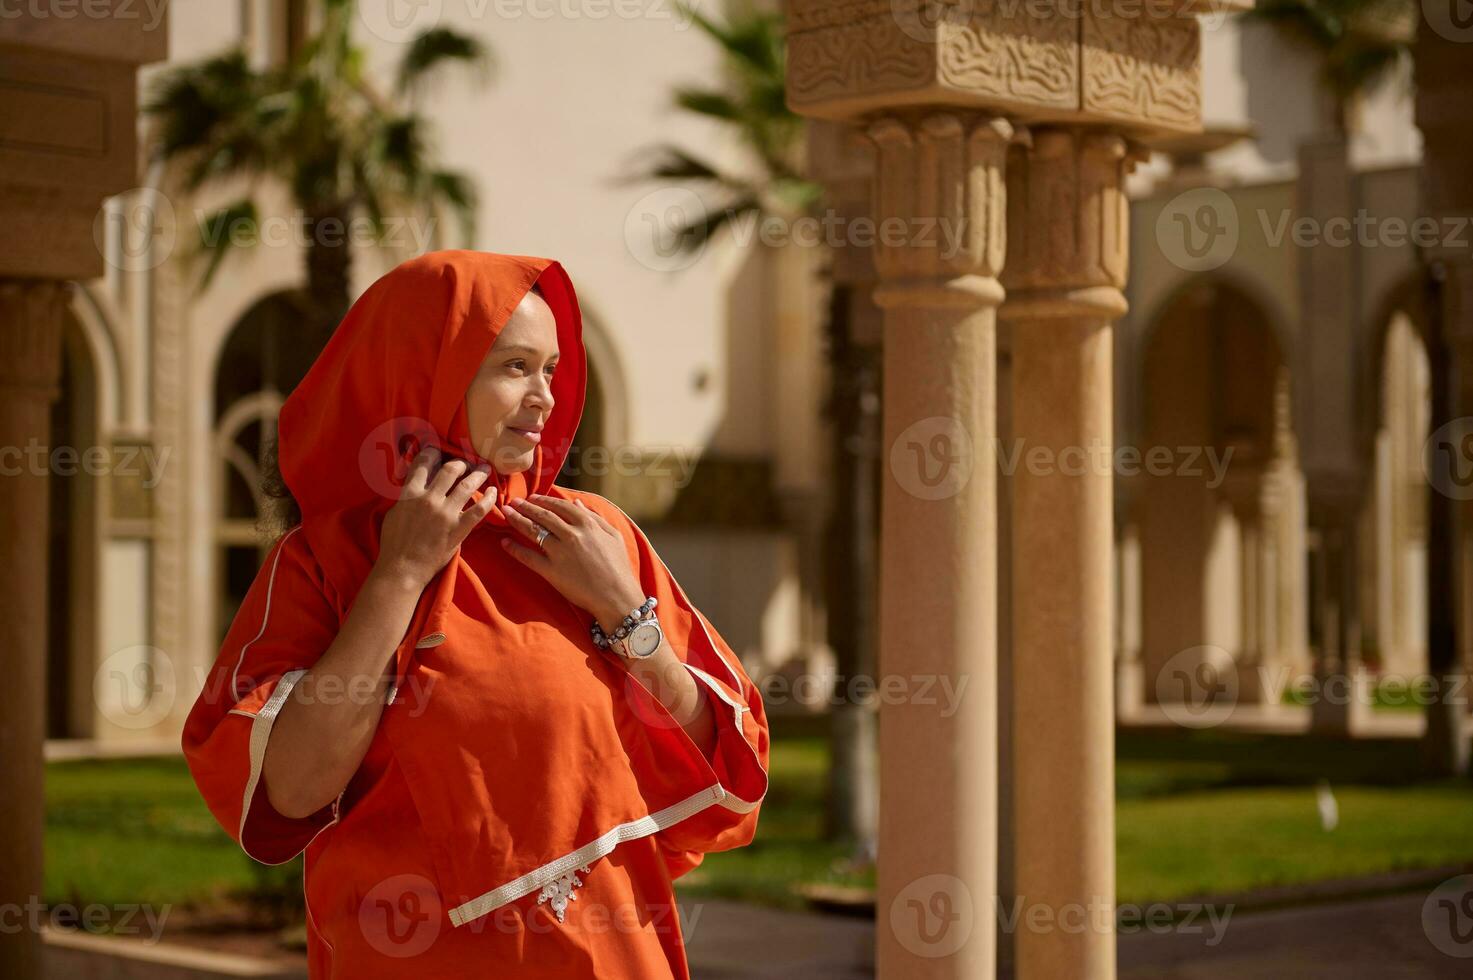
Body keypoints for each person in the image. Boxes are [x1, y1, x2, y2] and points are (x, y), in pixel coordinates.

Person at [181, 250, 770, 978]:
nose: (545, 398)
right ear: (424, 369)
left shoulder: (589, 535)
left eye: (551, 369)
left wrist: (625, 614)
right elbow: (292, 791)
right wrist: (399, 574)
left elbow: (725, 772)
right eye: (514, 367)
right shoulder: (325, 563)